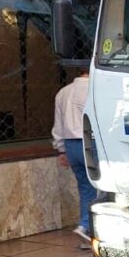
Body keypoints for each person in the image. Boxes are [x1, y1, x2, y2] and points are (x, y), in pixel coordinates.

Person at [51, 71, 95, 245]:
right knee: (106, 188)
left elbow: (58, 125)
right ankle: (85, 225)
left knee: (85, 189)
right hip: (90, 143)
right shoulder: (94, 89)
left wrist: (61, 150)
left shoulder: (63, 92)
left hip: (71, 145)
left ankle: (87, 234)